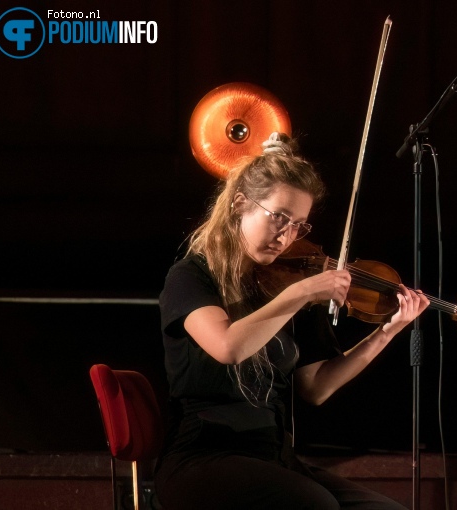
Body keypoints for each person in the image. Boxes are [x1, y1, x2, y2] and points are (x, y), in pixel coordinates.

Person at [154, 132, 429, 510]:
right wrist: (300, 294)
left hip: (274, 459)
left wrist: (389, 330)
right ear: (239, 205)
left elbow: (316, 386)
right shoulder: (190, 277)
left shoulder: (287, 285)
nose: (287, 236)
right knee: (316, 505)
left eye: (299, 225)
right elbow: (229, 346)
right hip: (204, 457)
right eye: (279, 218)